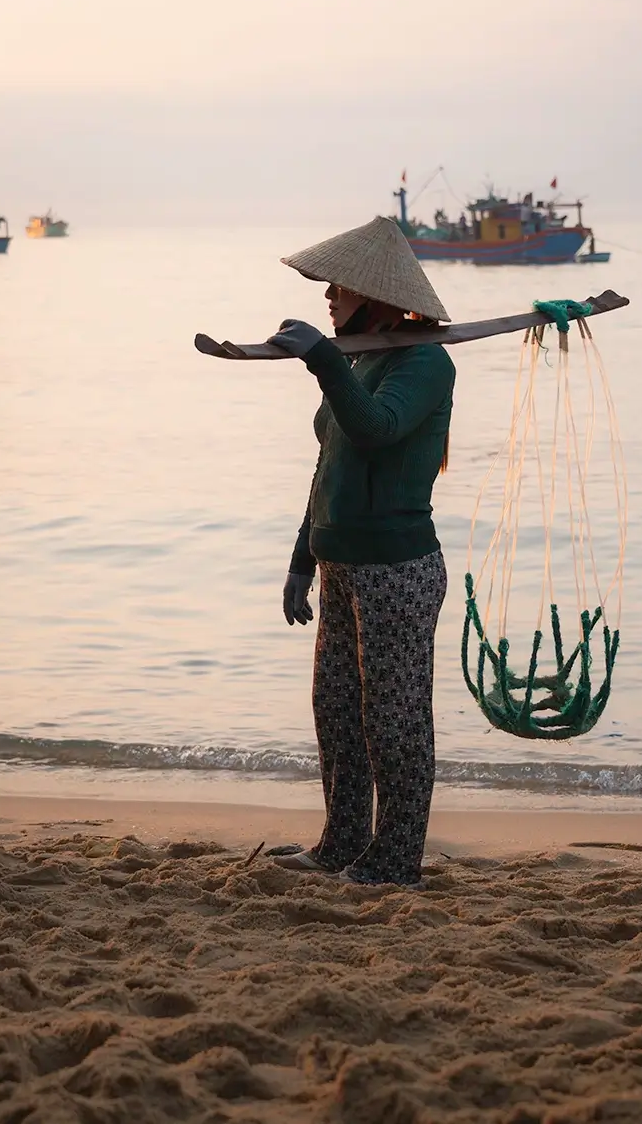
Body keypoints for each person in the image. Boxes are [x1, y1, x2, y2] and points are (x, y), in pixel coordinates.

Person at [266, 216, 456, 886]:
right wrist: (302, 558)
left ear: (373, 293)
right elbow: (329, 468)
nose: (326, 296)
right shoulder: (361, 356)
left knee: (395, 720)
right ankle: (342, 841)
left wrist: (322, 360)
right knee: (338, 711)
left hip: (398, 569)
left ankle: (396, 858)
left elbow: (376, 430)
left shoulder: (426, 361)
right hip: (340, 562)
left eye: (337, 286)